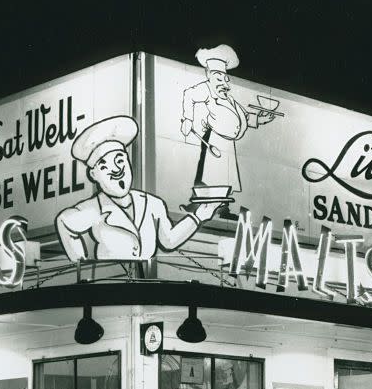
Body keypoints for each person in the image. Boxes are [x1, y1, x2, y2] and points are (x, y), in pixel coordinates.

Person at [56, 115, 219, 262]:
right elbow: (64, 221)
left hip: (145, 285)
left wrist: (198, 217)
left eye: (120, 160)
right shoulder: (94, 208)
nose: (115, 169)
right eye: (104, 166)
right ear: (94, 174)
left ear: (128, 162)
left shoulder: (153, 203)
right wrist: (80, 261)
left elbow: (168, 241)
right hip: (111, 286)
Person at [180, 44, 276, 195]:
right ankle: (205, 202)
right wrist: (187, 119)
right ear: (209, 75)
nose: (223, 83)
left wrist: (260, 120)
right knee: (211, 173)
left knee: (227, 177)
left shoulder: (228, 97)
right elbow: (188, 95)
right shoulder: (206, 90)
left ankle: (223, 206)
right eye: (218, 78)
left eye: (224, 78)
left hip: (228, 144)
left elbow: (243, 116)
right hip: (216, 139)